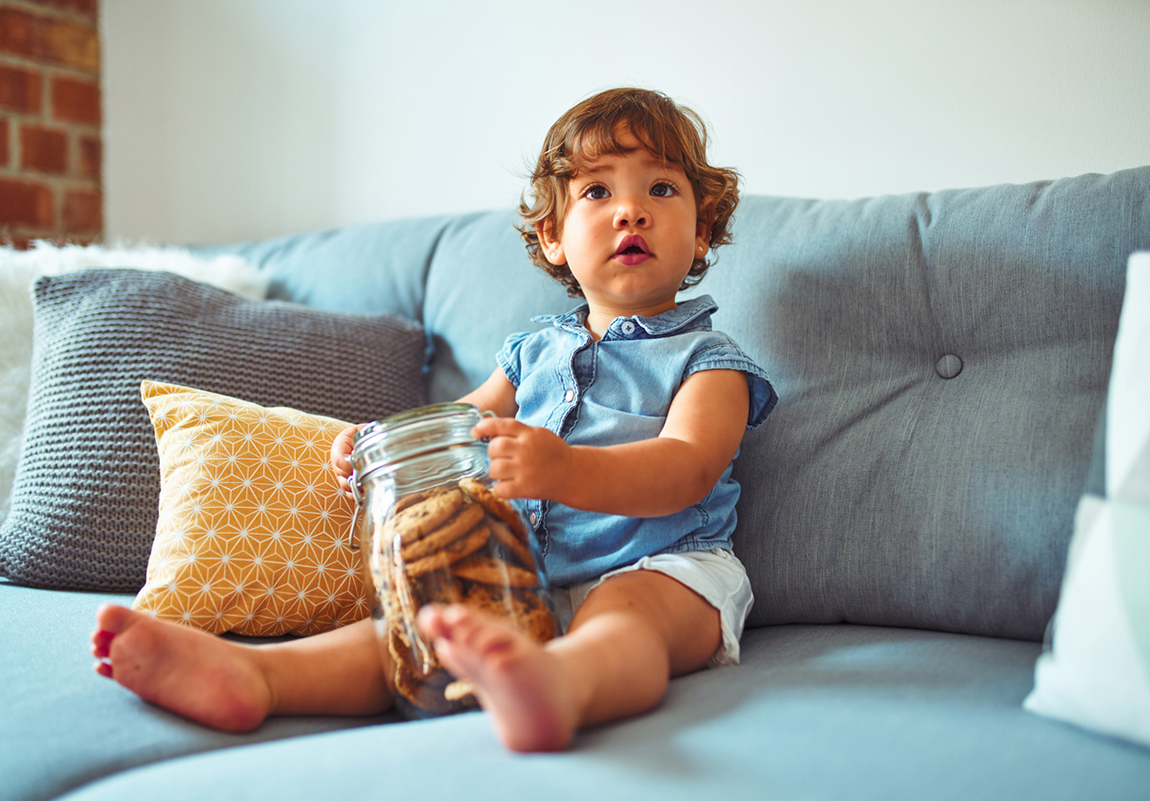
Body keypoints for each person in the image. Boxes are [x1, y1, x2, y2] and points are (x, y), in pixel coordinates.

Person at [91, 87, 777, 753]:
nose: (631, 211)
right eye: (597, 191)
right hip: (523, 577)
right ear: (553, 236)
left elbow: (687, 469)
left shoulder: (708, 361)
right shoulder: (532, 352)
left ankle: (559, 687)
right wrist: (381, 446)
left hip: (666, 567)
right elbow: (459, 424)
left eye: (661, 188)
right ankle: (260, 676)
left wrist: (565, 469)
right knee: (415, 633)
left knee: (627, 622)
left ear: (702, 230)